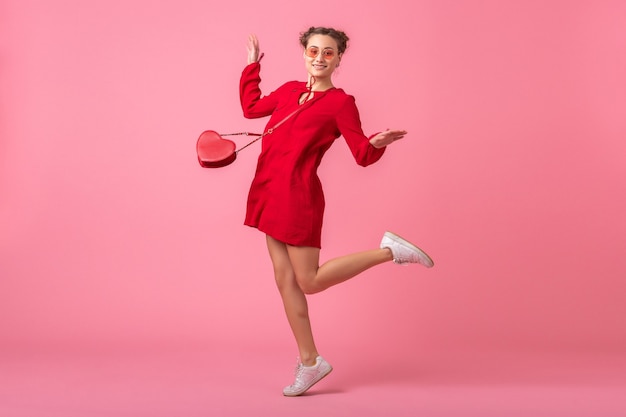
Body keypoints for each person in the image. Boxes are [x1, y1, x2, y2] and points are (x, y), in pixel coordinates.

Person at [240, 27, 434, 397]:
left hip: (298, 195)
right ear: (304, 53)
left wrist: (376, 143)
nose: (319, 57)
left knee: (309, 281)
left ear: (339, 59)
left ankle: (390, 251)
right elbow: (251, 108)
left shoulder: (341, 103)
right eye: (313, 50)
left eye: (328, 53)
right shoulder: (287, 91)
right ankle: (310, 361)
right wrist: (252, 67)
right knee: (285, 282)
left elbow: (361, 153)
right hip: (267, 190)